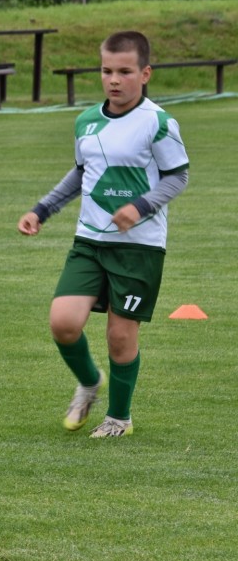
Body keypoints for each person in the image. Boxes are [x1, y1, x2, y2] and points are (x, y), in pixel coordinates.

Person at [17, 31, 190, 439]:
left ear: (145, 74)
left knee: (120, 336)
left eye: (125, 71)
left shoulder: (158, 123)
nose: (114, 80)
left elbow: (177, 176)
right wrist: (42, 209)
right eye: (107, 70)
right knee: (63, 323)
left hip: (139, 248)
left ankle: (119, 418)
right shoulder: (86, 121)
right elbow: (81, 174)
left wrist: (140, 206)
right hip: (90, 241)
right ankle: (90, 382)